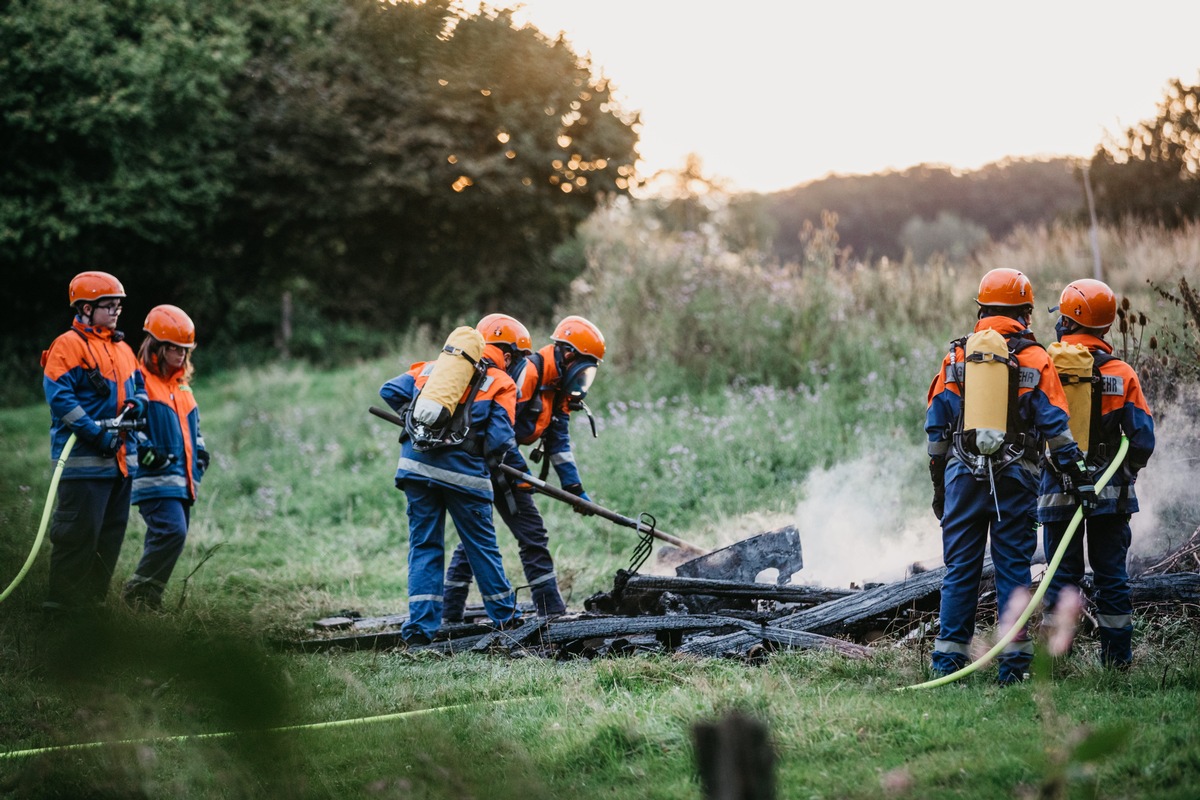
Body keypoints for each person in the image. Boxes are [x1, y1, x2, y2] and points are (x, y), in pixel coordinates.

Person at [925, 268, 1093, 684]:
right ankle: (1014, 669)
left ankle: (948, 664)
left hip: (961, 476)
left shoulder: (957, 356)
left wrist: (938, 485)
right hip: (1016, 479)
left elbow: (936, 427)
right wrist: (1079, 475)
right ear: (1025, 313)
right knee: (1014, 572)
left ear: (982, 309)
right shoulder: (1036, 358)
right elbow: (1056, 427)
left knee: (960, 570)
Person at [441, 314, 606, 623]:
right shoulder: (529, 372)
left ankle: (452, 611)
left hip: (505, 464)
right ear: (569, 355)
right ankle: (549, 611)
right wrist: (521, 474)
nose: (585, 379)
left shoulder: (559, 389)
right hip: (486, 461)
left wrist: (575, 490)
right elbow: (497, 427)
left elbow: (558, 442)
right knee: (510, 534)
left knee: (481, 536)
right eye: (585, 368)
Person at [380, 327, 523, 644]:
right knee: (480, 547)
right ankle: (505, 618)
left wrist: (411, 418)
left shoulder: (429, 369)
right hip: (464, 477)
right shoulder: (501, 382)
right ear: (506, 356)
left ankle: (419, 629)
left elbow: (388, 390)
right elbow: (501, 440)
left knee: (424, 547)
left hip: (415, 468)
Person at [1038, 279, 1155, 668]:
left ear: (1069, 321)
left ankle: (1057, 663)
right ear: (1105, 326)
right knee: (1111, 577)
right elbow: (1142, 438)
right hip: (1111, 493)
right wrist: (1128, 472)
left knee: (1061, 579)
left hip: (1058, 489)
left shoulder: (1048, 367)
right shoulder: (1122, 374)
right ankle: (1117, 662)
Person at [40, 271, 146, 614]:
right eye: (108, 306)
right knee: (77, 537)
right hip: (83, 463)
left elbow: (141, 389)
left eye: (118, 306)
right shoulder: (68, 345)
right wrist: (97, 434)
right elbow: (61, 400)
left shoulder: (123, 349)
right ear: (85, 308)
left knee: (109, 539)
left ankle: (91, 608)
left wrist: (138, 403)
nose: (116, 312)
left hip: (119, 465)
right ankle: (61, 610)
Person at [123, 305, 211, 611]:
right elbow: (131, 423)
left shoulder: (182, 386)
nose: (182, 357)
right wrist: (145, 449)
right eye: (176, 349)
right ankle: (138, 592)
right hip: (154, 478)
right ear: (157, 348)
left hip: (182, 478)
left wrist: (200, 452)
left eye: (186, 351)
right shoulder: (140, 381)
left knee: (171, 535)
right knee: (172, 531)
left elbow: (194, 428)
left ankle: (147, 599)